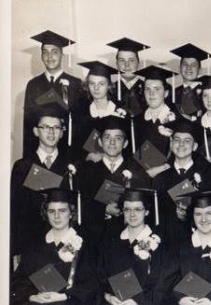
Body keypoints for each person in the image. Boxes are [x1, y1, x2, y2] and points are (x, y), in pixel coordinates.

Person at [11, 104, 79, 261]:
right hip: (30, 241)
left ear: (62, 133)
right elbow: (16, 211)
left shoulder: (72, 166)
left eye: (56, 127)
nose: (51, 132)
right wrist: (16, 249)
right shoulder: (23, 166)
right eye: (46, 127)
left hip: (64, 242)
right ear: (36, 131)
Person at [78, 116, 149, 242]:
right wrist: (102, 209)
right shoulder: (86, 171)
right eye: (107, 138)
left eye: (118, 138)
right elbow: (80, 205)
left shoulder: (137, 172)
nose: (112, 143)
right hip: (94, 237)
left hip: (127, 238)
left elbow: (146, 207)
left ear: (125, 143)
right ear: (100, 142)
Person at [152, 119, 211, 247]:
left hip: (198, 244)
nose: (181, 144)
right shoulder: (160, 179)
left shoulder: (208, 176)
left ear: (194, 146)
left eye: (187, 141)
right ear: (171, 144)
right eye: (176, 140)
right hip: (168, 243)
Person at [23, 30, 83, 157]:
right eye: (45, 52)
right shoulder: (33, 85)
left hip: (68, 151)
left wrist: (78, 157)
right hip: (40, 153)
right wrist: (29, 157)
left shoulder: (76, 84)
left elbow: (81, 123)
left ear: (62, 55)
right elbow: (28, 125)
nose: (50, 56)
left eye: (54, 52)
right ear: (41, 56)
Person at [72, 60, 128, 164]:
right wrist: (87, 156)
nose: (96, 88)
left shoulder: (121, 112)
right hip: (87, 166)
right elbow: (74, 146)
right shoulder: (80, 112)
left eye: (101, 84)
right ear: (87, 86)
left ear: (109, 86)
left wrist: (105, 156)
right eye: (92, 83)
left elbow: (127, 147)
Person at [133, 65, 180, 178]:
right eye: (147, 89)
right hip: (143, 177)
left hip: (171, 177)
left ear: (166, 93)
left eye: (157, 89)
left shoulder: (177, 119)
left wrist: (162, 168)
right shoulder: (136, 121)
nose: (151, 93)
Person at [170, 43, 211, 122]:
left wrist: (193, 119)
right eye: (185, 64)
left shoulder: (210, 91)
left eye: (193, 65)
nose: (188, 68)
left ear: (200, 70)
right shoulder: (172, 93)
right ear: (179, 68)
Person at [108, 37, 150, 119]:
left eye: (131, 60)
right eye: (122, 60)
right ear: (116, 63)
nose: (126, 65)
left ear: (138, 62)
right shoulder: (109, 90)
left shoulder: (149, 89)